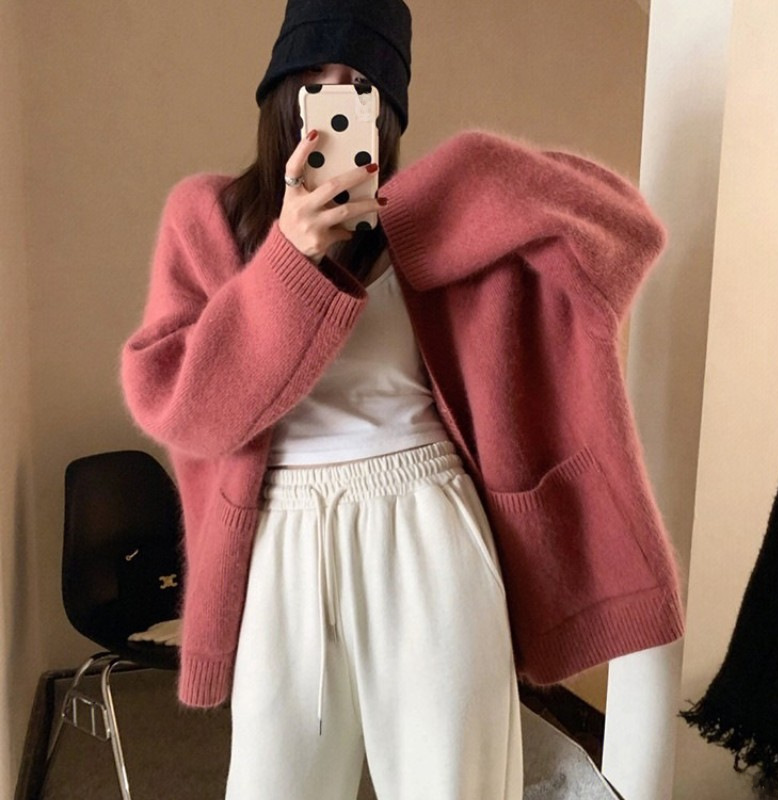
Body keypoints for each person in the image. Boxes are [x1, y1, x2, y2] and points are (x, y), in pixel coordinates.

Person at [119, 0, 686, 798]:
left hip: (426, 523)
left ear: (385, 112)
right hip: (280, 537)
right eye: (314, 79)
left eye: (360, 85)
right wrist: (289, 257)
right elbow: (184, 410)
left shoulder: (430, 226)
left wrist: (476, 174)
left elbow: (626, 237)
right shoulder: (209, 218)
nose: (331, 98)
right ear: (279, 91)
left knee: (450, 784)